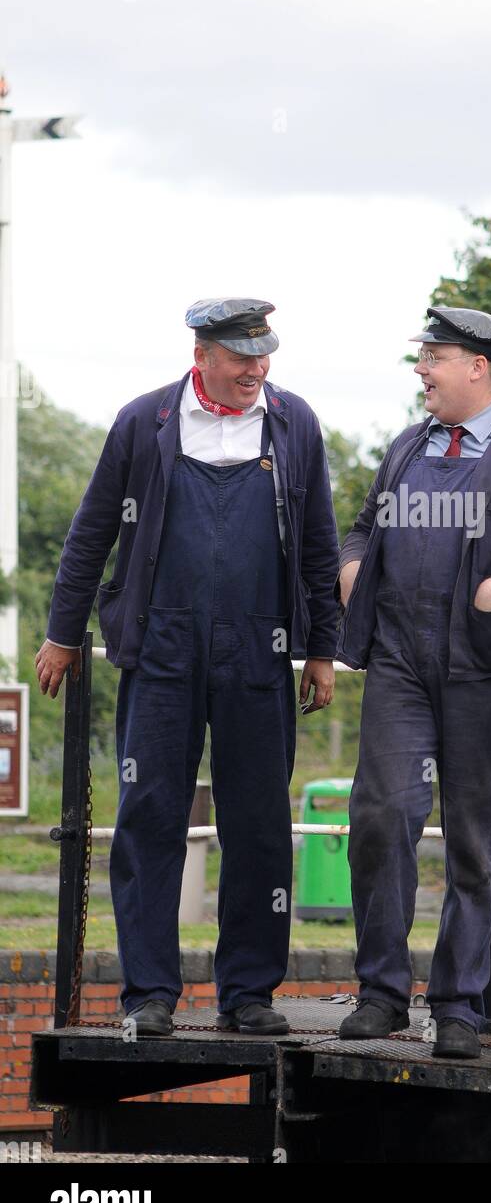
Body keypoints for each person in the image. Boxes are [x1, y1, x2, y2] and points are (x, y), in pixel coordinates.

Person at [36, 298, 340, 1037]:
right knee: (149, 820)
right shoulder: (145, 421)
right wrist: (62, 632)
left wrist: (324, 648)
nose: (256, 370)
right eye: (242, 357)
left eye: (264, 356)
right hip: (160, 651)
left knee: (260, 825)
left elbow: (320, 546)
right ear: (202, 353)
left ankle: (248, 993)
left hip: (259, 651)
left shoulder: (292, 422)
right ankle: (148, 994)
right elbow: (91, 533)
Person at [337, 305, 491, 1057]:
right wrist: (353, 566)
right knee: (383, 819)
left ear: (476, 367)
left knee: (475, 845)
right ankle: (381, 993)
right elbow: (361, 524)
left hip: (484, 675)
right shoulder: (405, 448)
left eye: (433, 358)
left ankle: (458, 1007)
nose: (421, 370)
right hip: (398, 669)